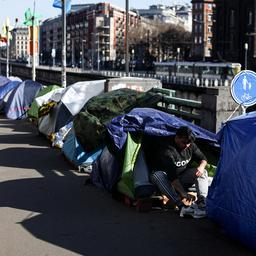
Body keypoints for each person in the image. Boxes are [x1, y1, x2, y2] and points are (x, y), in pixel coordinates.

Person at [142, 126, 209, 218]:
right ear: (177, 137)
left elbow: (203, 159)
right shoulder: (167, 150)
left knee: (203, 171)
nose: (187, 145)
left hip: (181, 177)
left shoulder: (191, 146)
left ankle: (203, 203)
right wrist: (183, 193)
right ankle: (181, 206)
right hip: (165, 180)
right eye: (184, 142)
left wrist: (201, 167)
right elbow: (172, 176)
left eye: (189, 143)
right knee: (157, 175)